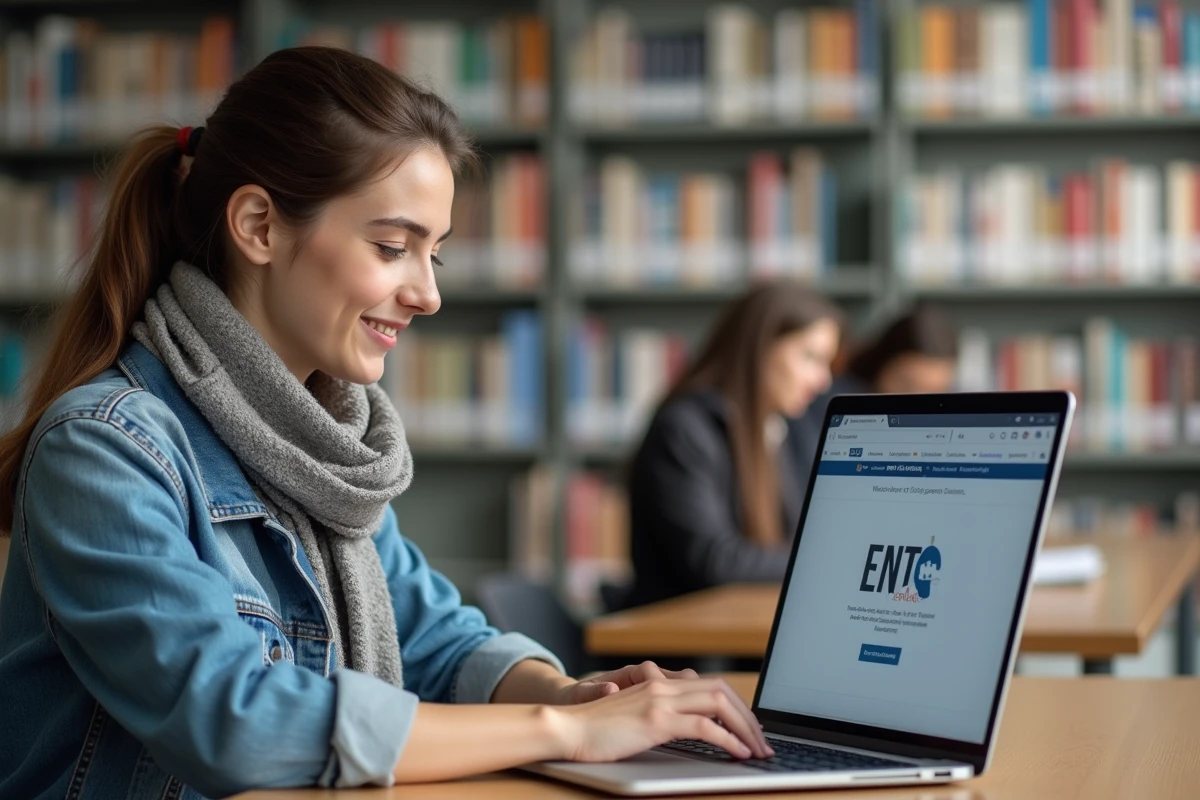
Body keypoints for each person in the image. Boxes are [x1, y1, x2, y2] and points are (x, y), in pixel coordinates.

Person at [0, 47, 772, 799]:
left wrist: (576, 697)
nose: (427, 294)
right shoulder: (104, 449)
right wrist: (562, 733)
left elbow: (437, 642)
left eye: (433, 255)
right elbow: (235, 722)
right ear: (260, 227)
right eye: (392, 246)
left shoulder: (324, 445)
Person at [624, 284, 843, 609]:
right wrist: (827, 563)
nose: (823, 380)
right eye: (810, 357)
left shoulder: (788, 430)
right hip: (682, 647)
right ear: (758, 348)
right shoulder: (684, 429)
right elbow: (715, 561)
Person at [799, 306, 959, 440]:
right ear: (883, 366)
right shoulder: (831, 406)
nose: (921, 404)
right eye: (908, 386)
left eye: (936, 391)